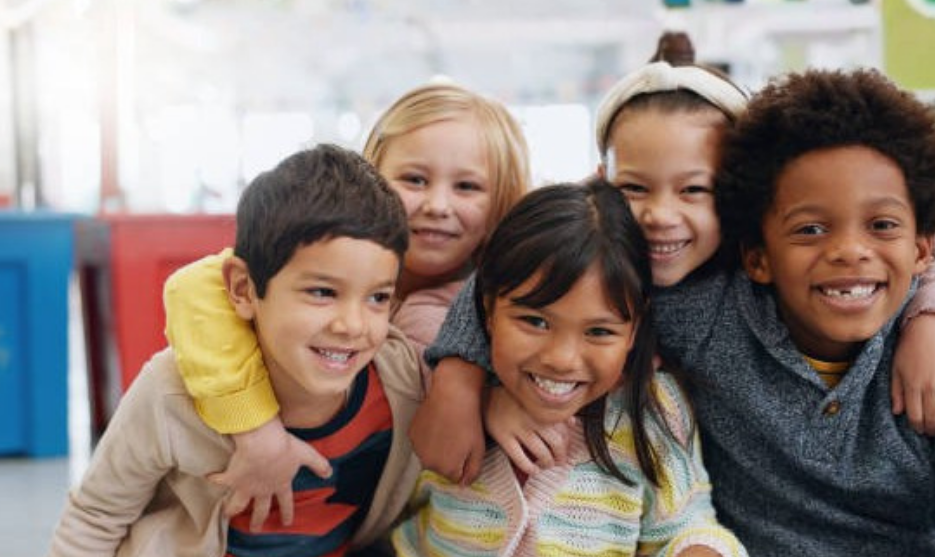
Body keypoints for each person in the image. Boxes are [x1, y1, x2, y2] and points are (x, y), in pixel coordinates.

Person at [426, 68, 935, 555]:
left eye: (693, 190)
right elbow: (528, 270)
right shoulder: (696, 311)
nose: (659, 215)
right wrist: (464, 380)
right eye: (633, 189)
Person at [161, 81, 531, 528]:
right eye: (414, 179)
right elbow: (196, 287)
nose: (437, 205)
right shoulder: (317, 251)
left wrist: (485, 395)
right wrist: (254, 428)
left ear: (502, 201)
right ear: (373, 177)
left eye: (468, 186)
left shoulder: (496, 300)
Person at [47, 145, 425, 557]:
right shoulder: (169, 392)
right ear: (243, 289)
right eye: (322, 292)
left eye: (377, 298)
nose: (352, 325)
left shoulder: (401, 383)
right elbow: (95, 518)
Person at [392, 179, 747, 557]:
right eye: (535, 321)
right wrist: (472, 398)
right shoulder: (449, 395)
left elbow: (687, 525)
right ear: (488, 309)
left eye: (599, 331)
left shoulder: (652, 409)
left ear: (634, 330)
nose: (562, 359)